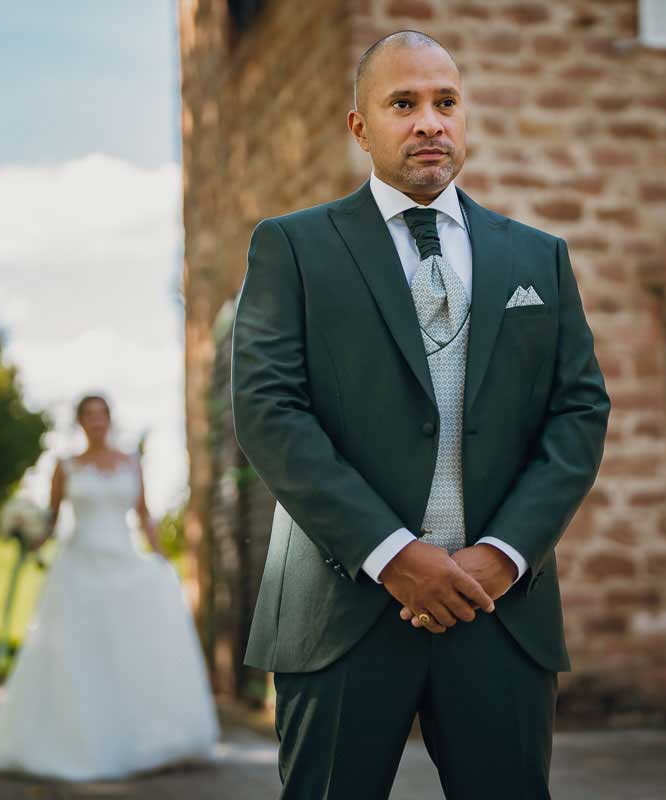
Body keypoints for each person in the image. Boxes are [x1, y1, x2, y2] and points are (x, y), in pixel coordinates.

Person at [231, 30, 610, 799]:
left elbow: (578, 411)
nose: (429, 122)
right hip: (341, 610)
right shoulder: (294, 248)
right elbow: (270, 411)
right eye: (403, 104)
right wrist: (394, 554)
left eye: (446, 103)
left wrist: (504, 555)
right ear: (361, 128)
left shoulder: (540, 258)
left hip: (498, 612)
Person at [0, 394, 218, 781]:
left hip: (124, 564)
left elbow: (144, 516)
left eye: (101, 415)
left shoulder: (131, 463)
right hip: (78, 568)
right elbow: (51, 518)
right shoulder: (66, 466)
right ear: (80, 422)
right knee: (79, 655)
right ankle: (76, 741)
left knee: (128, 652)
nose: (96, 422)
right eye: (89, 416)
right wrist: (28, 536)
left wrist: (162, 558)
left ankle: (139, 739)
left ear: (110, 419)